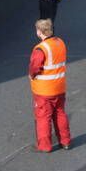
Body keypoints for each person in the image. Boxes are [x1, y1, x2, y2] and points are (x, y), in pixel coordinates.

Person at [29, 19, 71, 153]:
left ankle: (45, 146)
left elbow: (35, 67)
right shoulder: (60, 42)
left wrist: (31, 75)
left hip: (44, 90)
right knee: (60, 114)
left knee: (43, 118)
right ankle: (65, 141)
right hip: (59, 87)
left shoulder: (41, 48)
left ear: (39, 32)